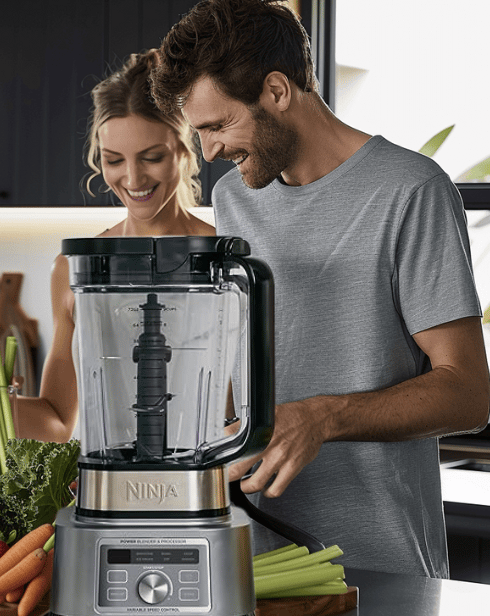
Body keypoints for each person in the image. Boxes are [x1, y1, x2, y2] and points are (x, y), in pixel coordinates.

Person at [149, 0, 490, 577]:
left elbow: (469, 392)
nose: (208, 154)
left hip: (381, 561)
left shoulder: (409, 191)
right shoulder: (235, 198)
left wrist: (323, 417)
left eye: (217, 126)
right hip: (252, 561)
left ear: (277, 90)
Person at [0, 49, 214, 444]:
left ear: (182, 148)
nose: (133, 177)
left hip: (211, 486)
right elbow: (57, 422)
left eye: (151, 157)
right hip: (108, 491)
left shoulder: (224, 258)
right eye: (113, 160)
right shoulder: (75, 269)